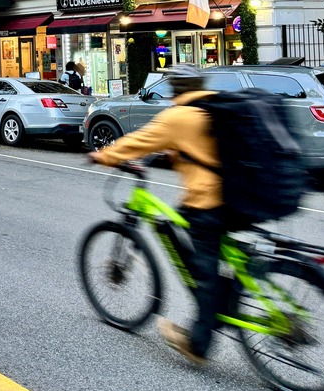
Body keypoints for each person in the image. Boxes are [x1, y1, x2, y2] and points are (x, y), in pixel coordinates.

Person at [88, 64, 233, 366]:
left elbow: (139, 141)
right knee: (182, 224)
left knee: (205, 273)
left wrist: (103, 155)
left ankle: (198, 343)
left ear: (176, 90)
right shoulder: (215, 105)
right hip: (242, 195)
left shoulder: (178, 116)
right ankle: (230, 296)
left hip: (211, 200)